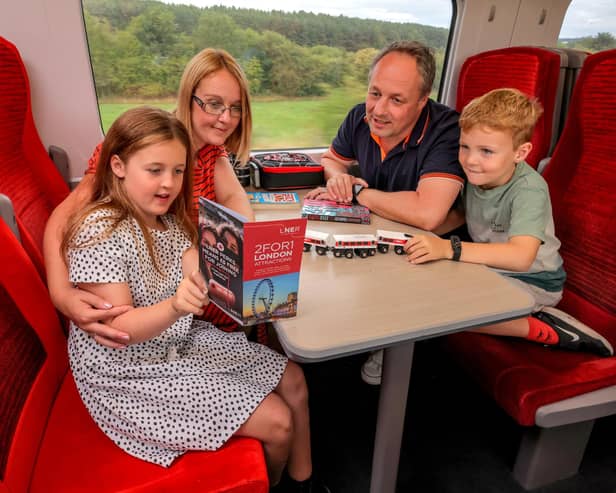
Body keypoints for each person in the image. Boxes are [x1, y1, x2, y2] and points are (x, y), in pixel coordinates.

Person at [61, 106, 329, 492]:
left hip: (173, 341)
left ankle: (305, 479)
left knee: (294, 379)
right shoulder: (99, 230)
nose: (169, 183)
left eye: (178, 171)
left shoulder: (166, 219)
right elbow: (118, 330)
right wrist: (175, 305)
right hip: (129, 371)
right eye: (155, 170)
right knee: (278, 422)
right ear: (117, 166)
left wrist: (242, 270)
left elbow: (194, 261)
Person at [44, 48, 255, 350]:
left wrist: (243, 243)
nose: (226, 118)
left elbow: (234, 196)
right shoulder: (142, 144)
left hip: (188, 275)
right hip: (157, 301)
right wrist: (62, 295)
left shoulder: (212, 152)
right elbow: (62, 222)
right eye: (213, 104)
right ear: (188, 97)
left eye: (236, 108)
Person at [404, 88, 613, 357]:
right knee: (421, 285)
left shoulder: (529, 189)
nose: (470, 160)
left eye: (486, 151)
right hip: (491, 269)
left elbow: (521, 256)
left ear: (520, 152)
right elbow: (461, 214)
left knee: (441, 309)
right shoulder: (477, 176)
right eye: (464, 146)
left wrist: (448, 248)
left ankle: (543, 328)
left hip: (535, 281)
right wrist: (413, 234)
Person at [306, 40, 466, 384]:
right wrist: (339, 181)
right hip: (379, 232)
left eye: (396, 100)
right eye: (375, 93)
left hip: (429, 250)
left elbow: (429, 214)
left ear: (423, 101)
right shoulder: (358, 118)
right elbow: (333, 159)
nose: (378, 110)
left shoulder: (447, 131)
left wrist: (360, 192)